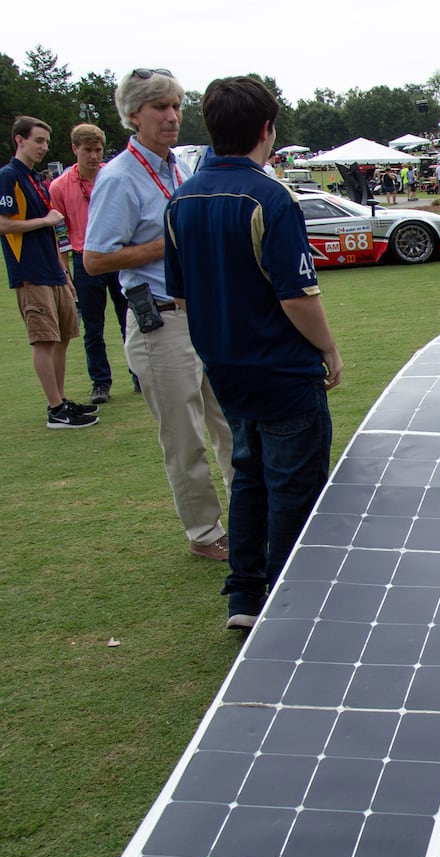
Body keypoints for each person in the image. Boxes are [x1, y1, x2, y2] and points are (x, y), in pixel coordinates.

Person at [165, 76, 344, 631]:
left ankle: (244, 593)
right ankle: (294, 599)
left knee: (248, 476)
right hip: (283, 372)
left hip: (224, 368)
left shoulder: (181, 200)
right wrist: (330, 350)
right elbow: (297, 297)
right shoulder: (271, 196)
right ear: (267, 130)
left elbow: (181, 296)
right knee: (294, 485)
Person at [85, 68, 234, 557]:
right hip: (159, 321)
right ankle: (206, 534)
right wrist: (164, 247)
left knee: (229, 424)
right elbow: (95, 258)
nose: (172, 116)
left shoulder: (177, 168)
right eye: (160, 108)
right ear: (134, 116)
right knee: (185, 437)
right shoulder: (119, 177)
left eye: (176, 106)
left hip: (202, 314)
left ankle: (251, 516)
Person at [1, 115, 98, 428]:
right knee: (43, 339)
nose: (44, 147)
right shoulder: (9, 176)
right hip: (30, 271)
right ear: (20, 140)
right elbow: (3, 223)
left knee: (63, 336)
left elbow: (55, 229)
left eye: (45, 141)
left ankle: (60, 400)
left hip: (53, 270)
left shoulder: (35, 179)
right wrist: (44, 221)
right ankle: (56, 409)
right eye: (38, 140)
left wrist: (64, 274)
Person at [49, 123, 133, 404]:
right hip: (84, 258)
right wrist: (65, 269)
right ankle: (100, 383)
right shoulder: (60, 186)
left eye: (98, 150)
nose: (94, 156)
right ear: (75, 149)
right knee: (93, 328)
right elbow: (60, 230)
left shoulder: (114, 177)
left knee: (130, 320)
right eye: (87, 150)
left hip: (118, 256)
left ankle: (139, 375)